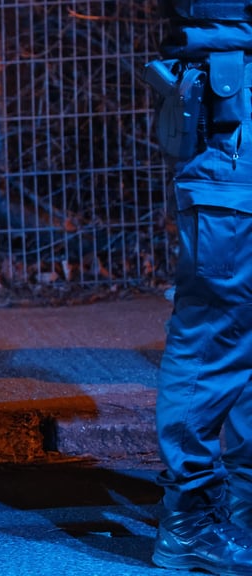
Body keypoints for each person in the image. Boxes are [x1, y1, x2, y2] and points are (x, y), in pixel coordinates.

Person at [145, 1, 252, 573]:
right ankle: (190, 519)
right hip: (235, 114)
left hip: (236, 108)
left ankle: (239, 512)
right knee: (215, 330)